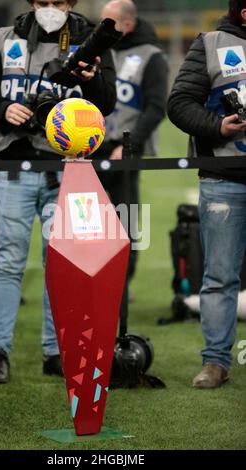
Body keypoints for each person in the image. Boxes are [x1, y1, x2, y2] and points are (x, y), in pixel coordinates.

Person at [0, 0, 116, 384]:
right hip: (14, 164)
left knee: (62, 263)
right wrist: (4, 109)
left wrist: (91, 77)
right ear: (32, 4)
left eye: (57, 2)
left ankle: (57, 350)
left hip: (69, 168)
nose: (49, 9)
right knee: (8, 260)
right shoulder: (5, 38)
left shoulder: (90, 40)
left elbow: (107, 103)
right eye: (42, 2)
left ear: (71, 4)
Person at [168, 0, 246, 389]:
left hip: (224, 179)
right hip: (224, 176)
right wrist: (218, 128)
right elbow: (179, 104)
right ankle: (216, 362)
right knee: (218, 276)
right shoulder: (211, 43)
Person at [94, 0, 168, 287]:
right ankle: (94, 281)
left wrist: (129, 145)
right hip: (91, 148)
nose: (101, 28)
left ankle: (122, 285)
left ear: (128, 24)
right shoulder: (96, 50)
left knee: (125, 218)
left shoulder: (151, 57)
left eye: (108, 22)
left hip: (126, 150)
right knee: (89, 221)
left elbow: (156, 107)